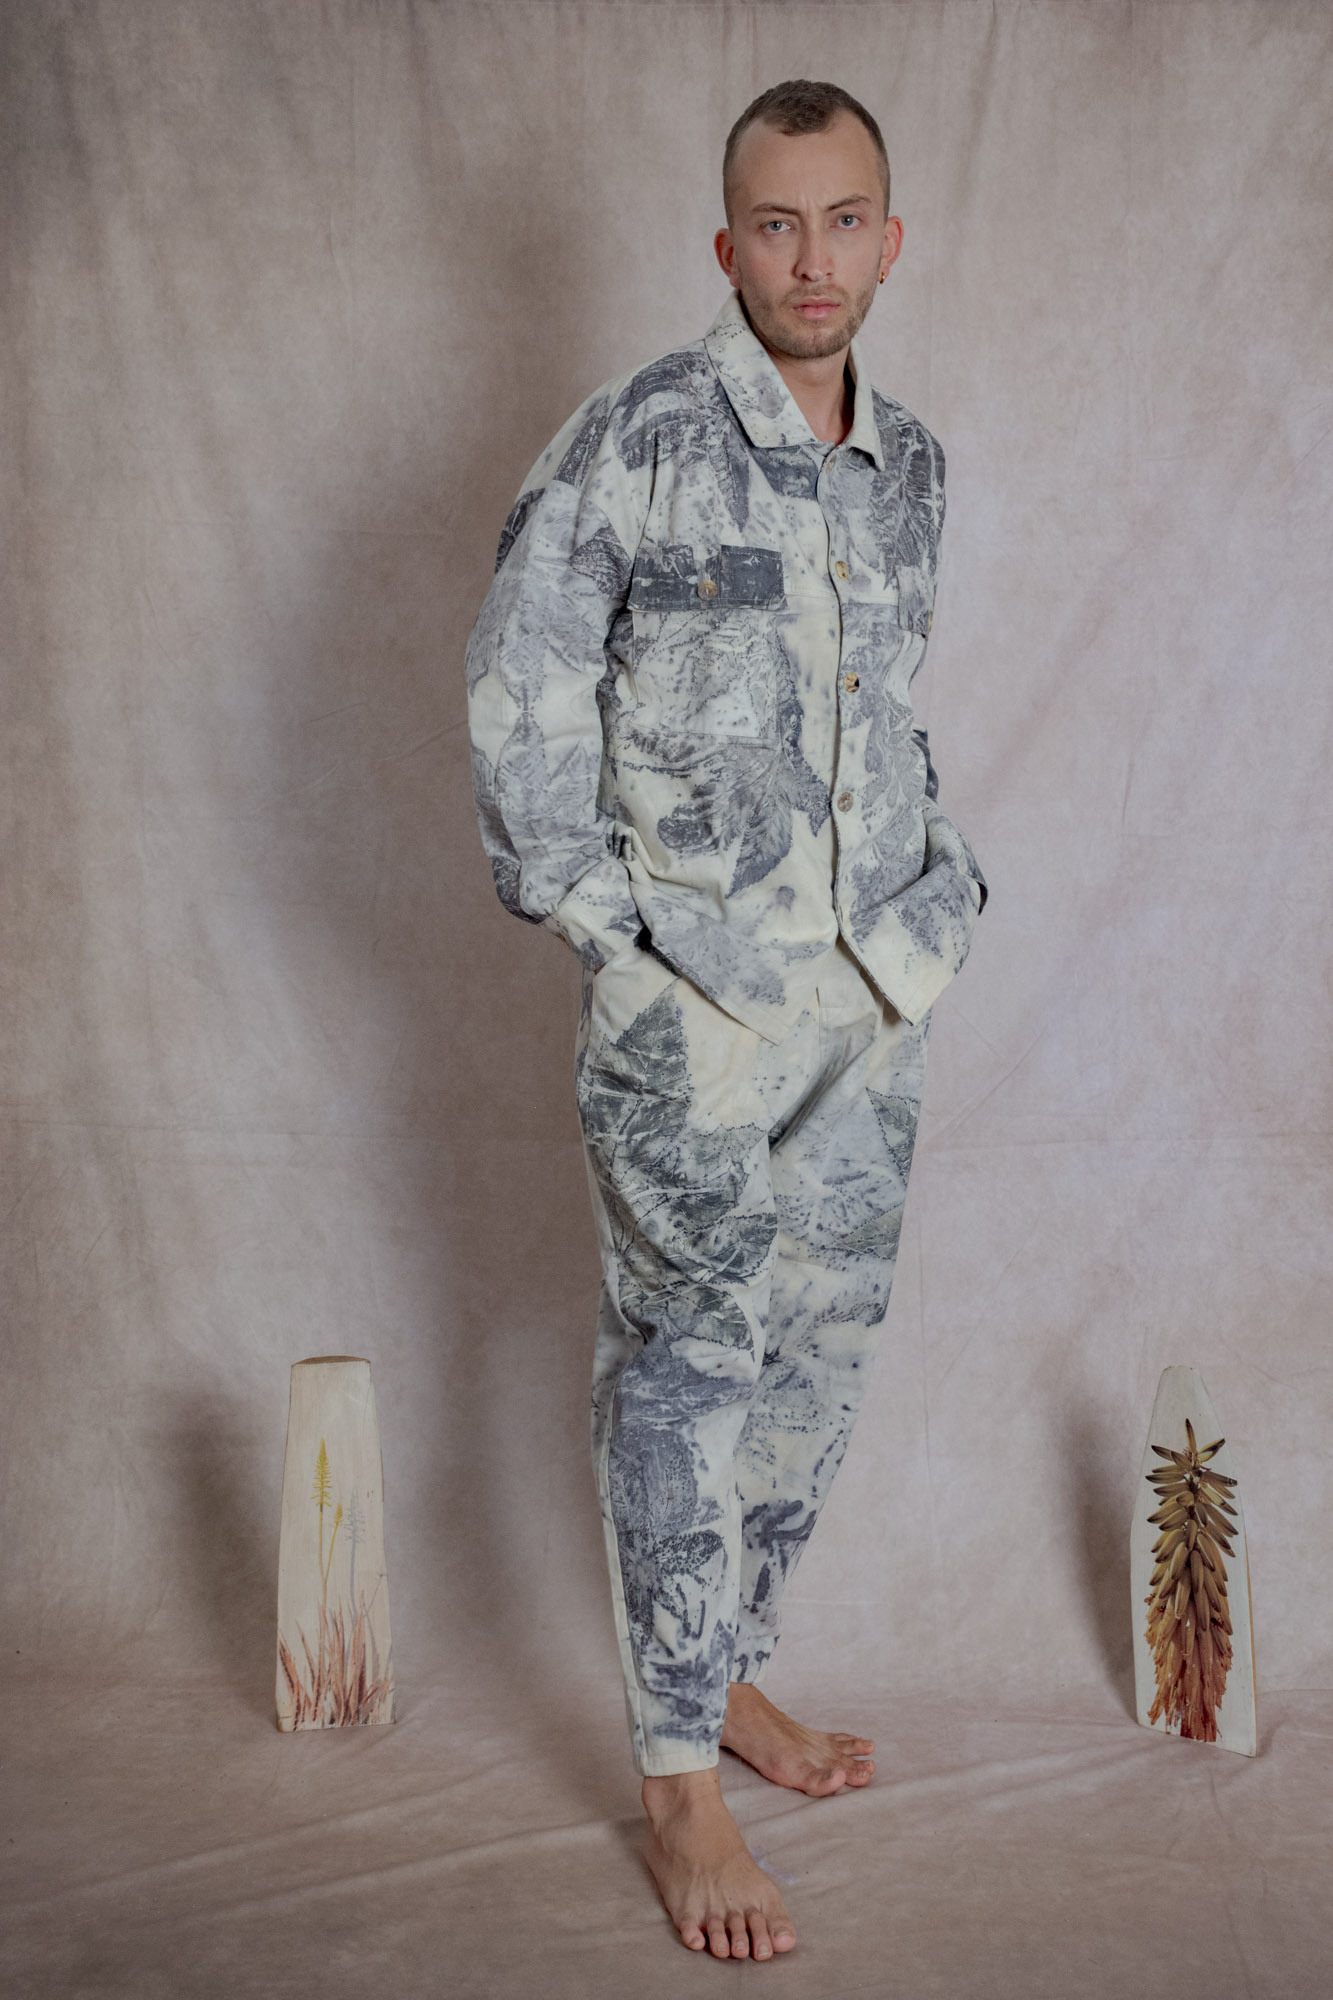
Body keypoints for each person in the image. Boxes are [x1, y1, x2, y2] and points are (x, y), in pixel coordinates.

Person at [465, 78, 986, 1961]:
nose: (810, 260)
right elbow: (519, 691)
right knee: (689, 1361)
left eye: (842, 220)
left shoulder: (912, 466)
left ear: (888, 239)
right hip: (689, 1020)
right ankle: (679, 1781)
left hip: (868, 1002)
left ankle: (732, 1667)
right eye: (776, 224)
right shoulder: (636, 440)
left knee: (812, 1364)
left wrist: (937, 899)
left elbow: (881, 701)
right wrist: (611, 940)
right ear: (726, 245)